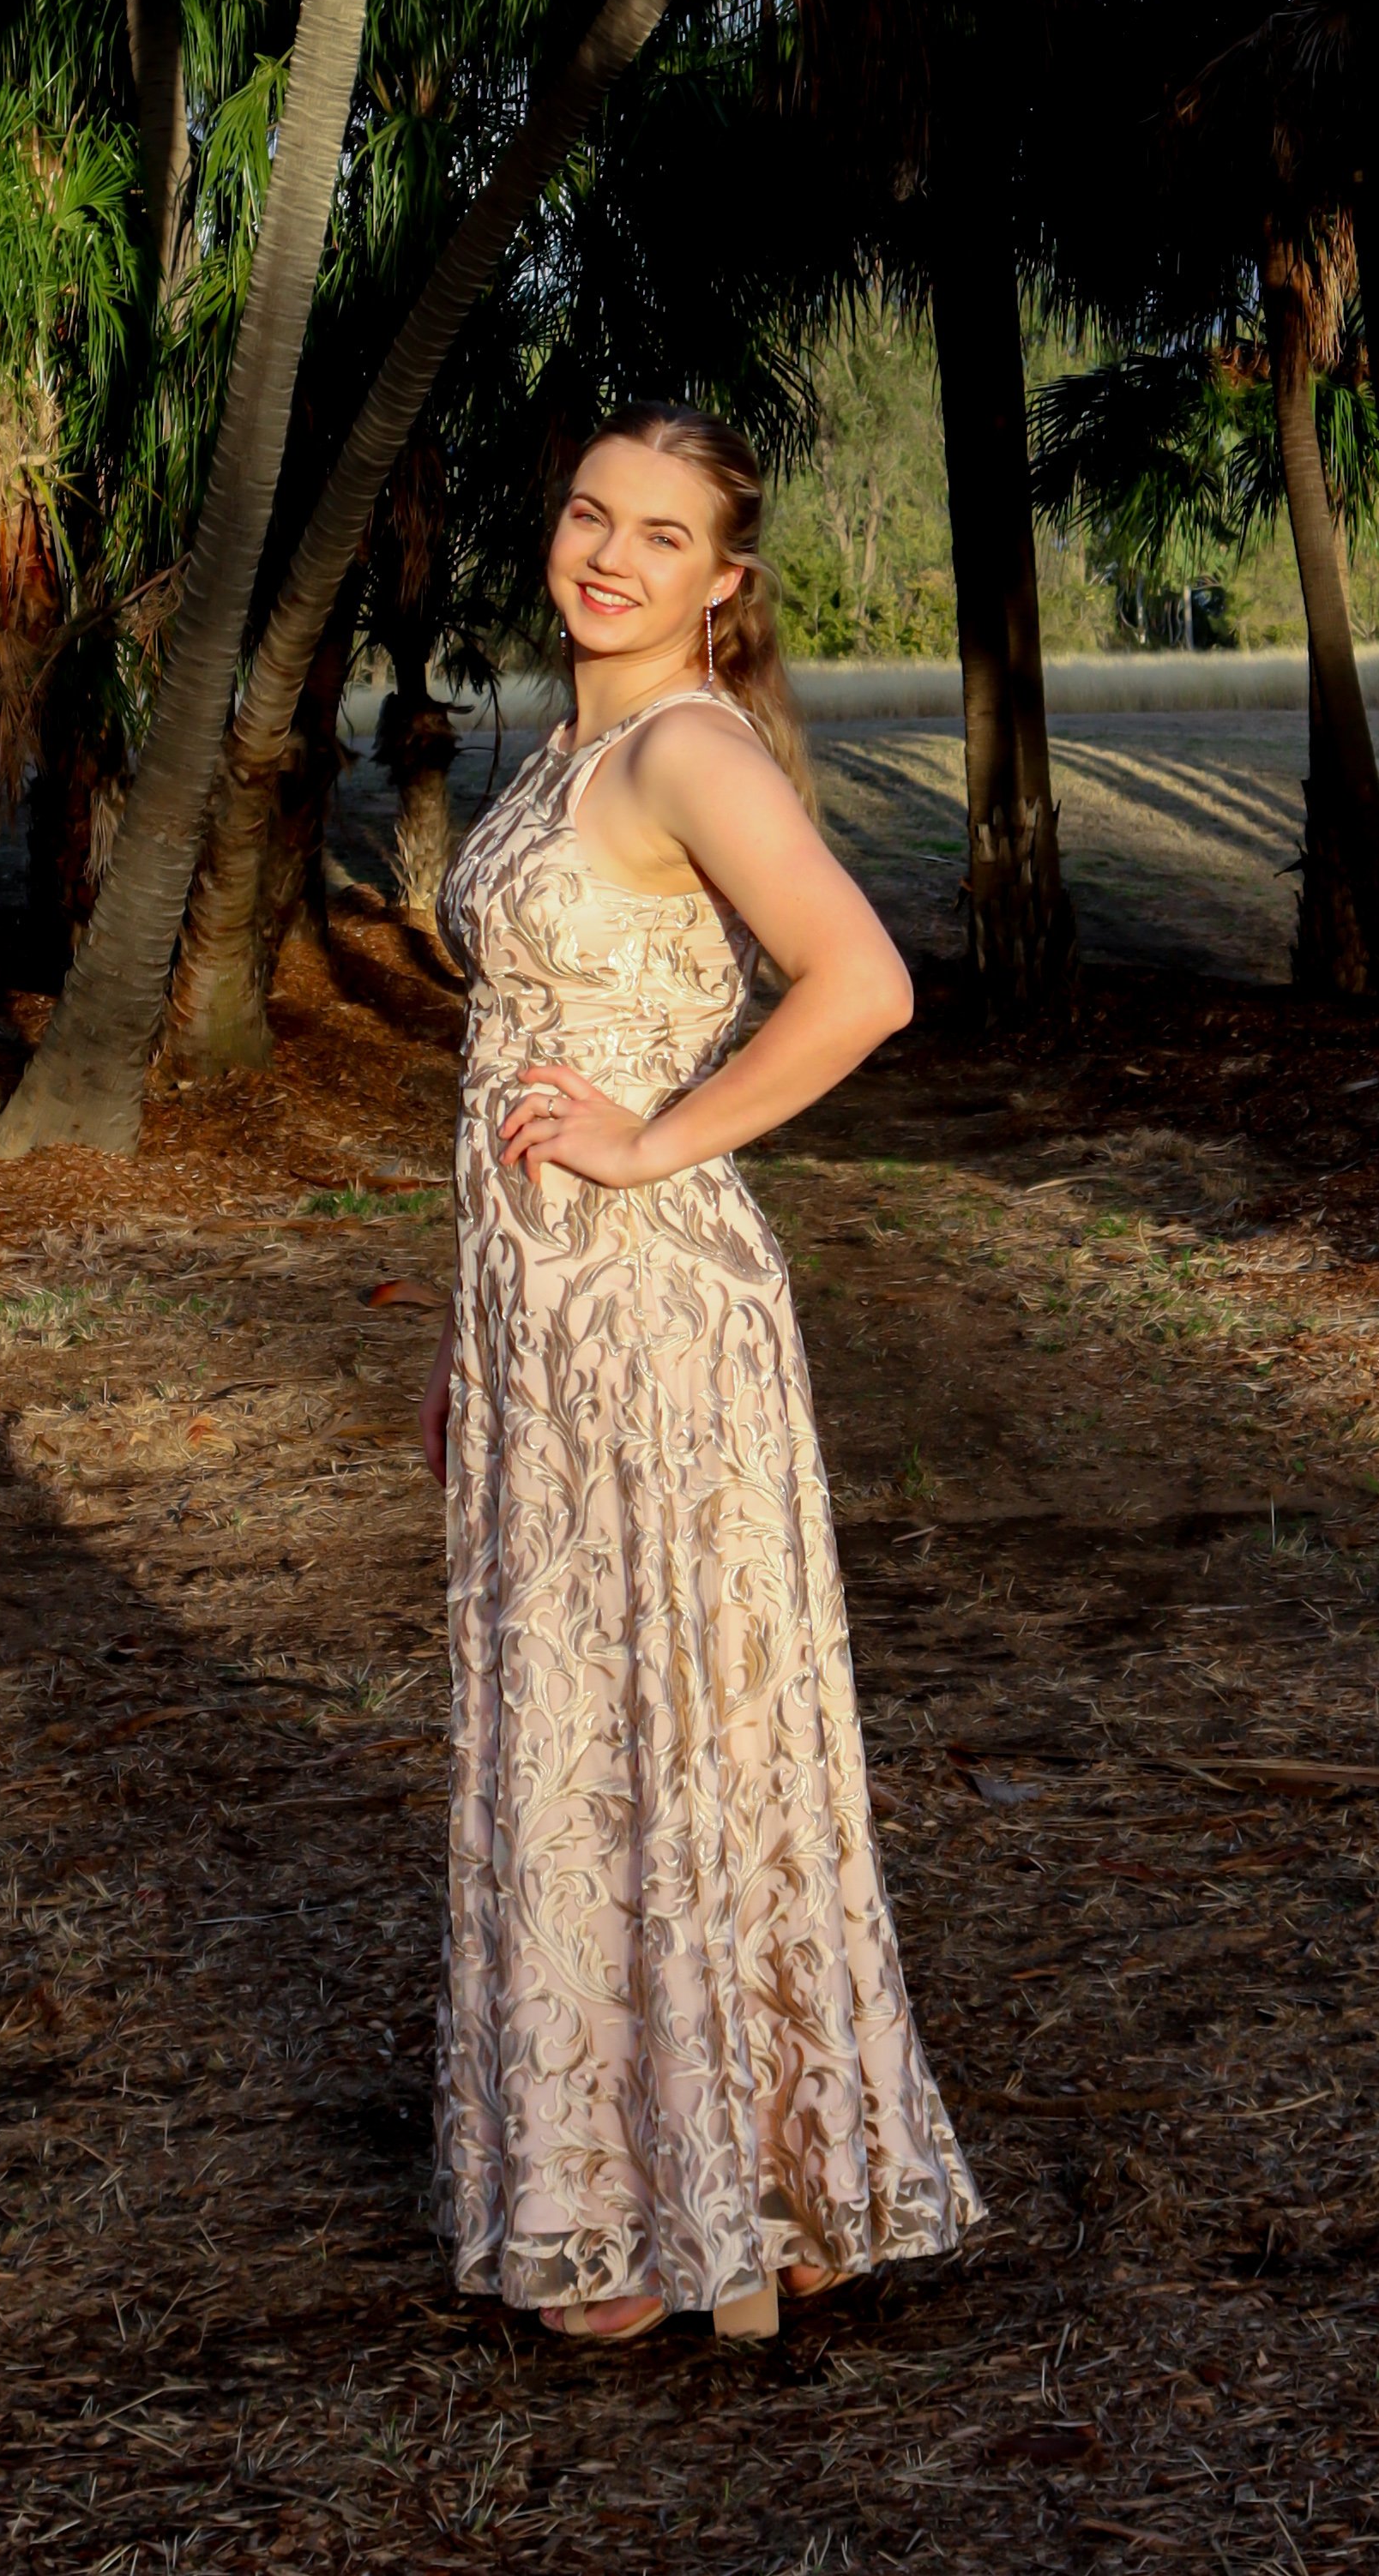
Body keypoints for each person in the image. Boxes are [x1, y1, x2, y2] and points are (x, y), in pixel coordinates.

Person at [418, 402, 979, 2344]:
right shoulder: (569, 746)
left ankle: (714, 2204)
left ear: (723, 581)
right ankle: (678, 2183)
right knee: (592, 1730)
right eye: (592, 514)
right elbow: (498, 1070)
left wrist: (657, 1139)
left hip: (654, 1311)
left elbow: (865, 983)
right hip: (540, 1318)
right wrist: (462, 1335)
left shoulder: (686, 746)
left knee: (678, 1728)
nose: (610, 556)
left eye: (662, 536)